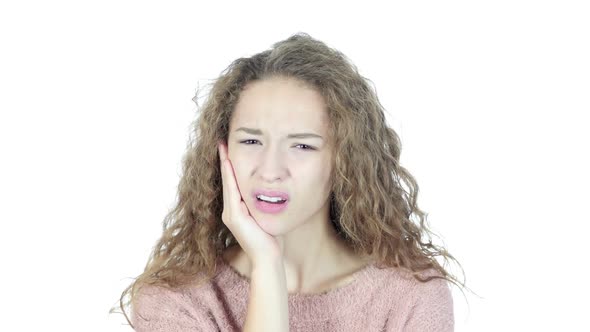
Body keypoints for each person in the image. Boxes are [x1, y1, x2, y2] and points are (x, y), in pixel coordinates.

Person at [111, 32, 471, 331]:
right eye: (251, 141)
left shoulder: (411, 296)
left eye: (301, 145)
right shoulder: (176, 301)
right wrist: (268, 267)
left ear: (344, 158)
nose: (271, 170)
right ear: (220, 153)